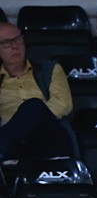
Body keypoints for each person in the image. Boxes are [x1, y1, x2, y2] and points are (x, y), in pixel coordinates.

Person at [0, 21, 75, 162]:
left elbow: (64, 103)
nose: (14, 46)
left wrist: (27, 120)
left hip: (48, 137)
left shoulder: (49, 69)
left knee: (33, 105)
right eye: (6, 43)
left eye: (17, 39)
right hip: (12, 144)